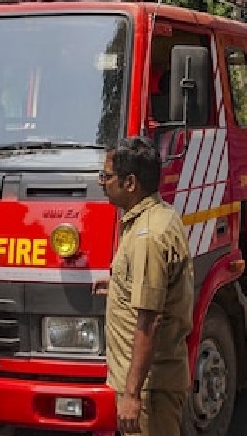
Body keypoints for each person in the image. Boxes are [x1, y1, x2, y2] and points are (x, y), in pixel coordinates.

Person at [101, 137, 193, 435]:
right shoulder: (160, 216)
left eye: (106, 176)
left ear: (130, 183)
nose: (101, 182)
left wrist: (131, 395)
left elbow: (150, 320)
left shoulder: (147, 237)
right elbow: (154, 287)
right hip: (150, 384)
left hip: (150, 388)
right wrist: (117, 285)